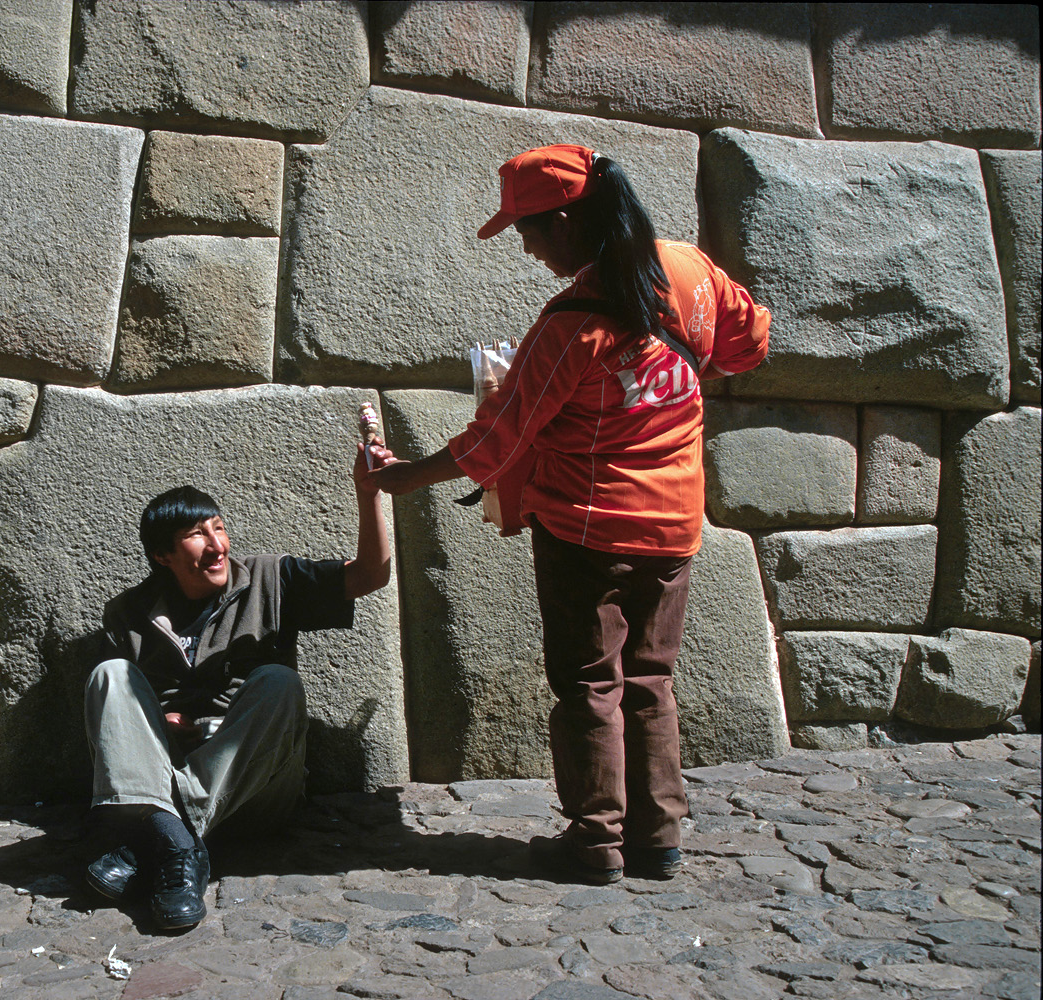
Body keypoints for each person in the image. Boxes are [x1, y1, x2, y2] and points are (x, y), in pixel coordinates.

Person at [370, 144, 769, 884]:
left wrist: (403, 477)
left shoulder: (569, 326)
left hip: (586, 530)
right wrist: (680, 373)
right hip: (674, 525)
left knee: (590, 682)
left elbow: (499, 436)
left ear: (563, 222)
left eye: (526, 231)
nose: (524, 249)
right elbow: (751, 340)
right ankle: (661, 840)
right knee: (651, 680)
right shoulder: (688, 269)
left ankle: (596, 842)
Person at [83, 442, 394, 930]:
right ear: (163, 555)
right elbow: (119, 726)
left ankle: (162, 835)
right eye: (195, 535)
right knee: (110, 675)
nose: (217, 545)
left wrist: (369, 493)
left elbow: (372, 574)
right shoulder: (127, 613)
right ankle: (179, 846)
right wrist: (157, 724)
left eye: (219, 529)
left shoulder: (272, 579)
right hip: (164, 770)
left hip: (256, 790)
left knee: (277, 681)